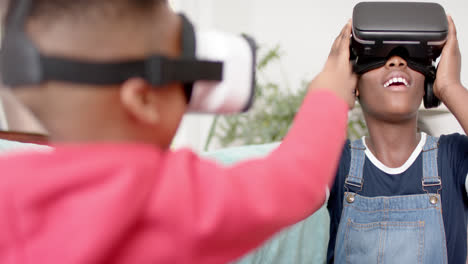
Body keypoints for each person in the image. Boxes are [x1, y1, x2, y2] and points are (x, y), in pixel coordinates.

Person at [0, 0, 357, 263]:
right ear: (142, 99)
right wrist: (329, 93)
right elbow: (295, 182)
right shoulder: (166, 194)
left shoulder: (8, 184)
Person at [327, 16, 468, 263]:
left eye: (409, 55)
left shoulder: (452, 157)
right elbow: (282, 195)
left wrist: (450, 86)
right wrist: (332, 86)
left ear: (429, 82)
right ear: (354, 83)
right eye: (377, 55)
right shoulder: (336, 163)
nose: (396, 61)